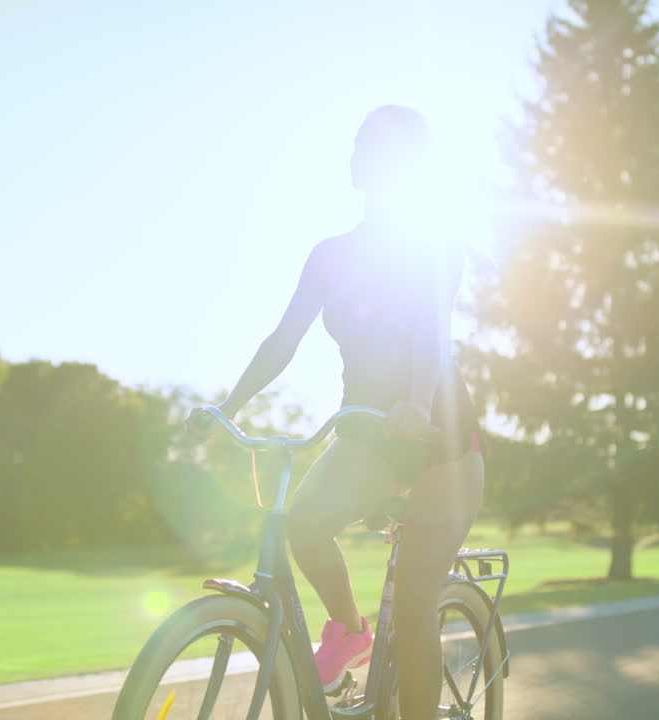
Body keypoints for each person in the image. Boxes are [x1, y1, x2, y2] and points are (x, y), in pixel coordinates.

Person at [193, 105, 484, 719]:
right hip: (368, 434)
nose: (356, 154)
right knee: (301, 522)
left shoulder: (434, 249)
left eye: (371, 145)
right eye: (356, 143)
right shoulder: (330, 255)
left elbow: (434, 336)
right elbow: (283, 340)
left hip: (439, 441)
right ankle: (350, 632)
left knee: (412, 605)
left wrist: (415, 401)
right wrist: (227, 407)